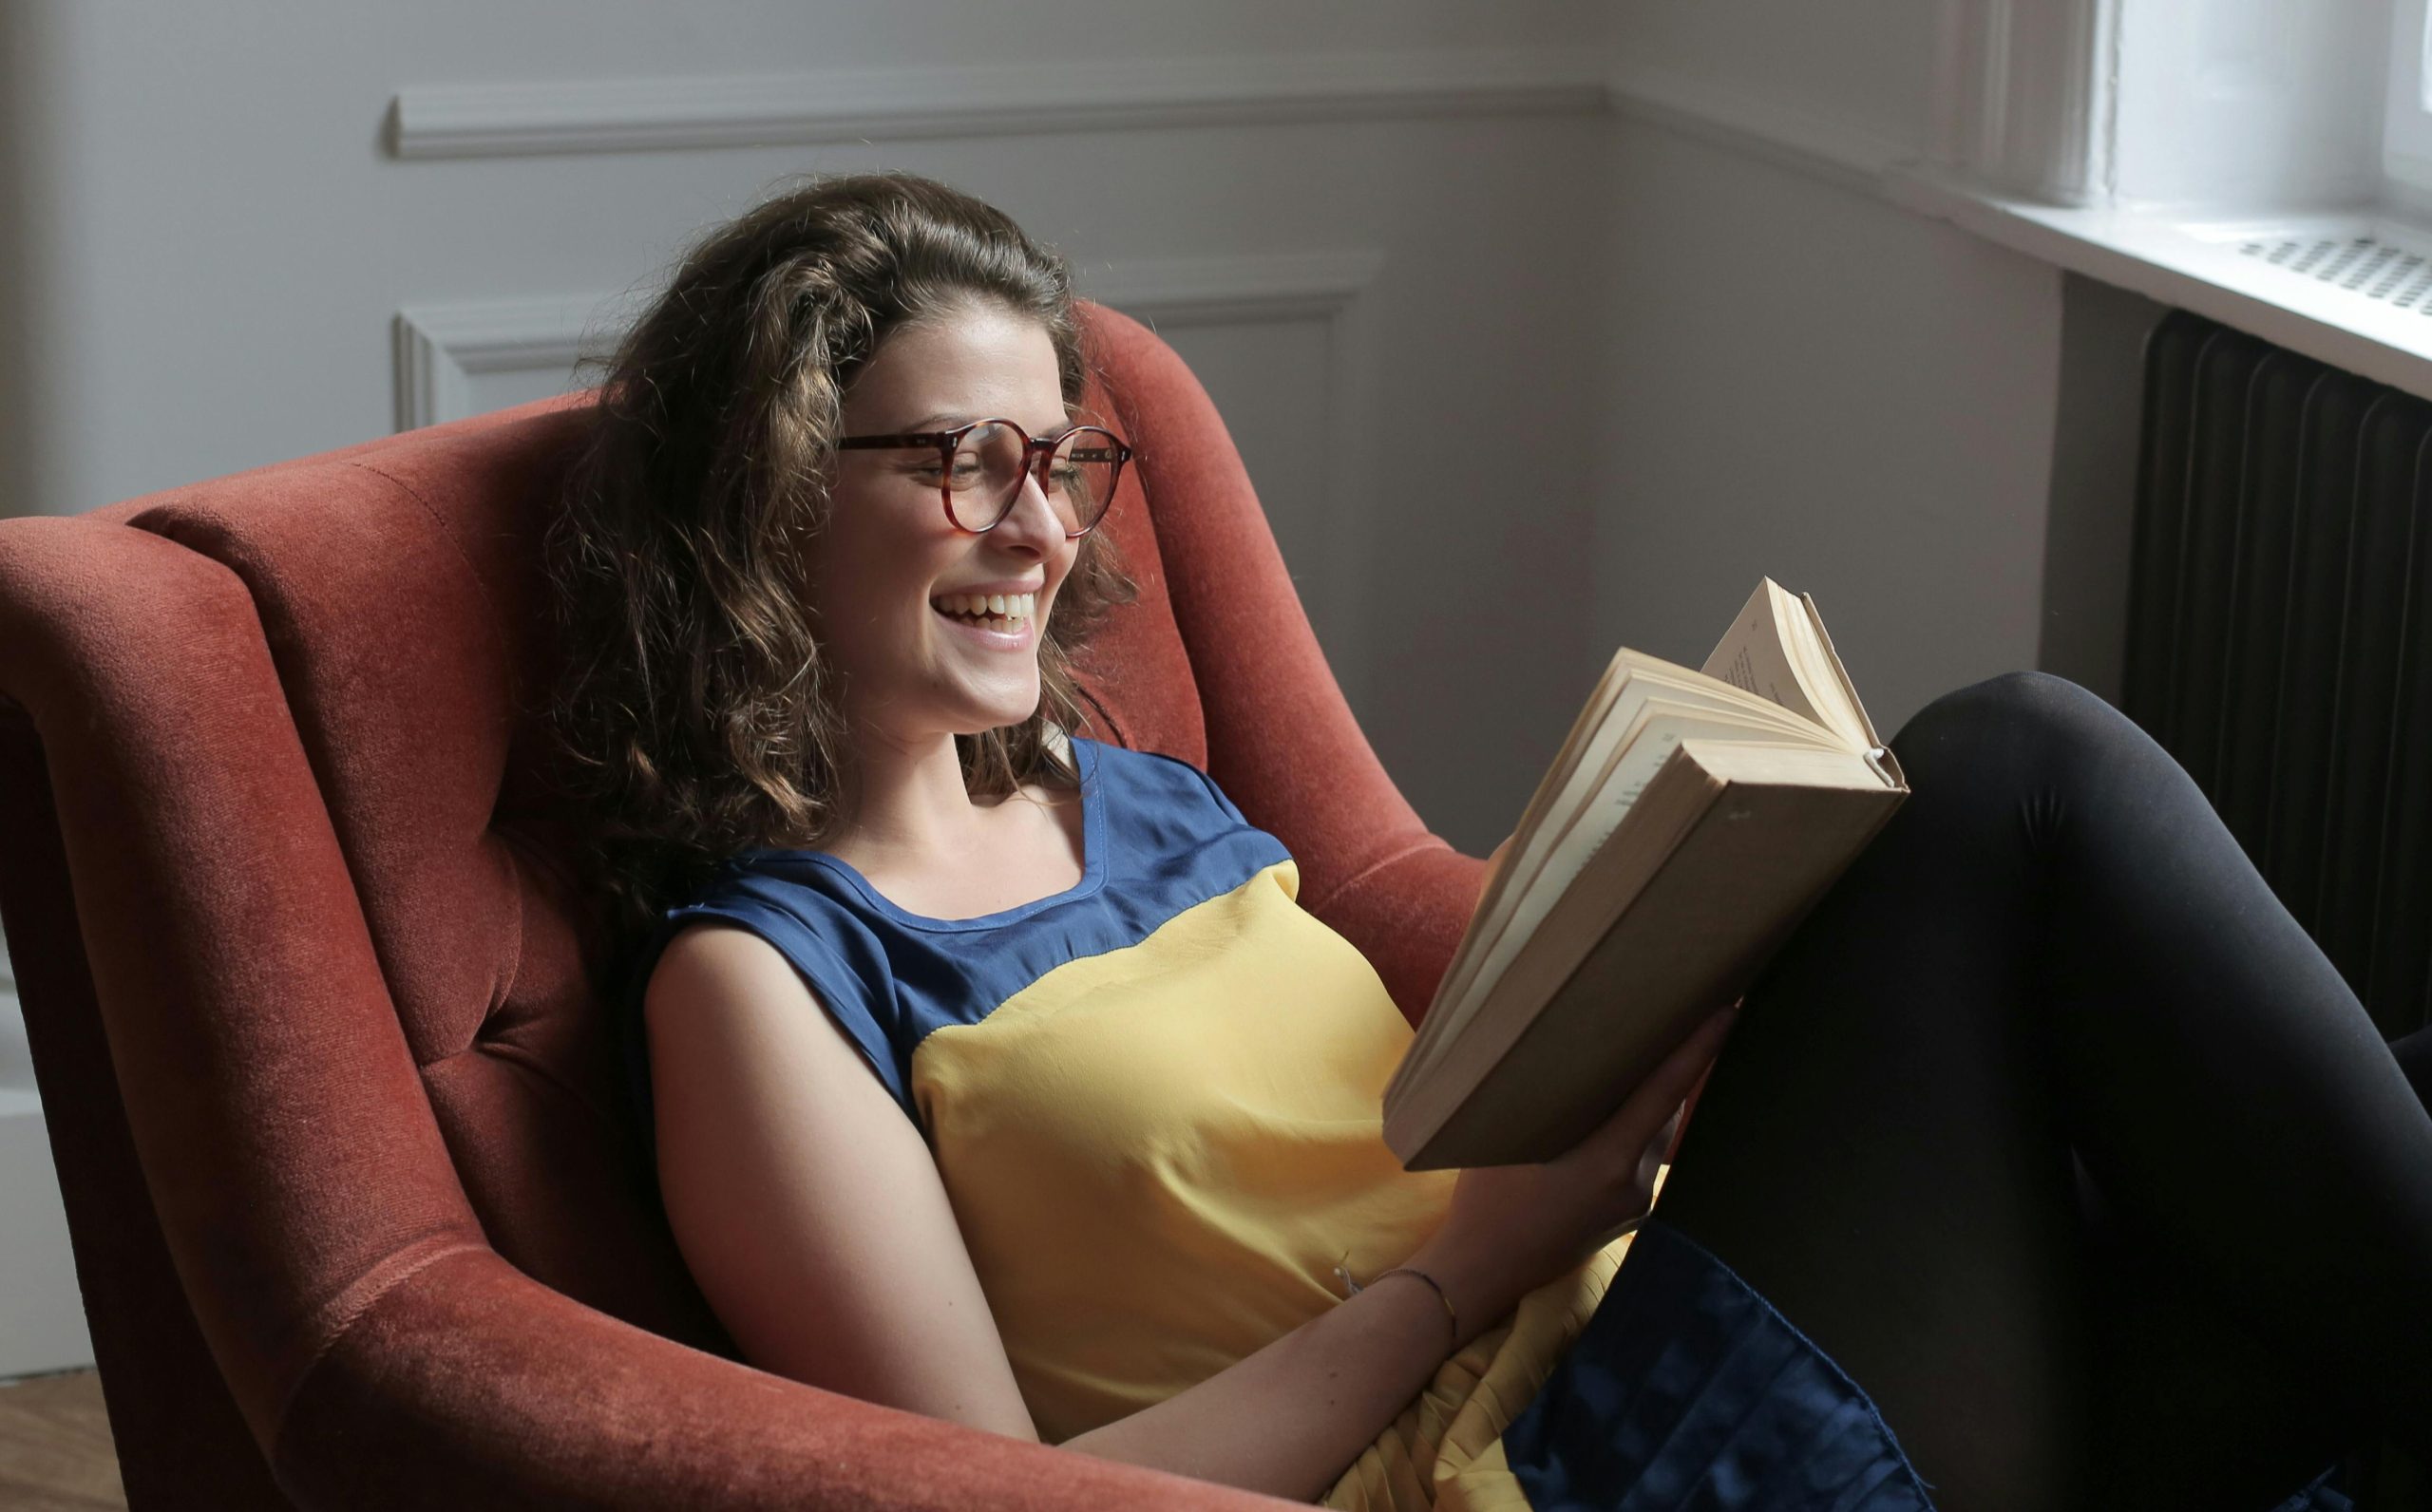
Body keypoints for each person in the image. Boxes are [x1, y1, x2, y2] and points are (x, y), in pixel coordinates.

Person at [540, 171, 2432, 1512]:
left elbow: (1423, 1113)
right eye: (962, 460)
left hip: (1637, 1300)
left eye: (1060, 461)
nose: (1038, 528)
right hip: (1512, 1466)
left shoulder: (1139, 798)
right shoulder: (764, 982)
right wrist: (1469, 1265)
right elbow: (997, 1499)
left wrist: (1649, 997)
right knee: (2012, 769)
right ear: (776, 505)